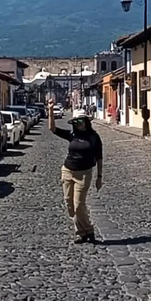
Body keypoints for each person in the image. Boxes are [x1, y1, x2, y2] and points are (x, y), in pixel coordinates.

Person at [48, 99, 103, 244]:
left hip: (84, 174)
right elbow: (52, 129)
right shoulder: (72, 135)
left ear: (86, 121)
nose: (79, 124)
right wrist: (50, 111)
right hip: (67, 170)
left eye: (81, 121)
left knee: (79, 204)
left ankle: (86, 231)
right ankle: (84, 231)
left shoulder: (94, 137)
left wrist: (99, 177)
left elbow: (99, 157)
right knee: (69, 205)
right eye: (76, 122)